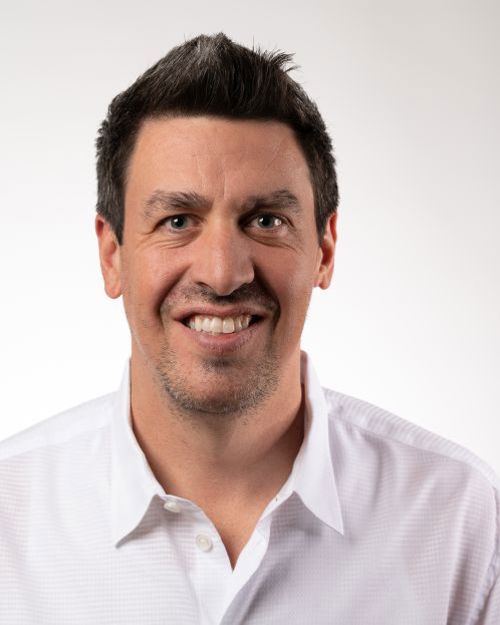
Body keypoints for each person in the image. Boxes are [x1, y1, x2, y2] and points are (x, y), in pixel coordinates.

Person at [0, 33, 498, 625]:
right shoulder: (9, 519)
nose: (222, 273)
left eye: (266, 221)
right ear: (112, 255)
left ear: (325, 250)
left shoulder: (458, 519)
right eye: (177, 220)